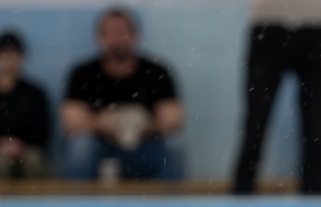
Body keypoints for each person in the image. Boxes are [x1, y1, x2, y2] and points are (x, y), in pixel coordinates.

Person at [60, 6, 184, 180]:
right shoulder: (83, 74)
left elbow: (173, 120)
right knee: (80, 145)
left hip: (144, 146)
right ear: (99, 37)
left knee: (174, 144)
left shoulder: (157, 73)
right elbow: (70, 121)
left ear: (135, 35)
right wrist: (100, 124)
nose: (116, 39)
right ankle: (79, 204)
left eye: (122, 32)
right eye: (110, 33)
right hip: (101, 148)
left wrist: (142, 125)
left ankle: (169, 205)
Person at [232, 0, 321, 195]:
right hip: (268, 27)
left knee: (315, 126)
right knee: (256, 123)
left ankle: (315, 199)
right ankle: (241, 196)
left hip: (312, 27)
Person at [0, 31, 51, 179]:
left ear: (22, 57)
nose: (9, 60)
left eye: (13, 54)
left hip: (28, 151)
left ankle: (35, 202)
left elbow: (43, 133)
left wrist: (19, 146)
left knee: (34, 160)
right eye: (4, 54)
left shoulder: (35, 93)